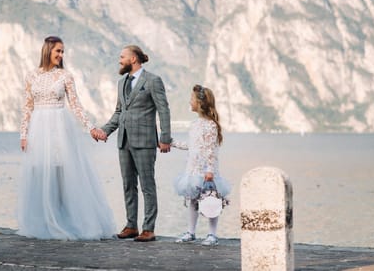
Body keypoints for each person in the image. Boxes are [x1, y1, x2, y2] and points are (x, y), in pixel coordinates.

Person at [18, 36, 116, 240]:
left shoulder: (65, 76)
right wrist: (24, 134)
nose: (61, 55)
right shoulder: (31, 76)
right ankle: (44, 219)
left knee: (61, 174)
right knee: (40, 173)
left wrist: (90, 128)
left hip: (59, 129)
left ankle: (63, 219)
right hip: (38, 129)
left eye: (63, 52)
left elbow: (76, 105)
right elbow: (27, 106)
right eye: (58, 51)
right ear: (48, 51)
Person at [94, 45, 171, 242]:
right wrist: (105, 131)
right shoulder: (121, 83)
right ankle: (131, 226)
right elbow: (119, 112)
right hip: (124, 141)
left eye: (122, 57)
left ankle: (149, 228)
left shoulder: (153, 80)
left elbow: (163, 110)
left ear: (134, 59)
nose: (119, 60)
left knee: (147, 185)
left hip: (145, 141)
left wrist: (165, 138)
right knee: (128, 185)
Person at [172, 84, 230, 246]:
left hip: (206, 170)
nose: (189, 102)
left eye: (192, 99)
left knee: (211, 200)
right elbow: (192, 145)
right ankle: (191, 232)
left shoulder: (210, 125)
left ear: (200, 103)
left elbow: (210, 149)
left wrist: (210, 170)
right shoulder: (195, 124)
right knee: (192, 199)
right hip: (192, 169)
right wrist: (172, 143)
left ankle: (212, 234)